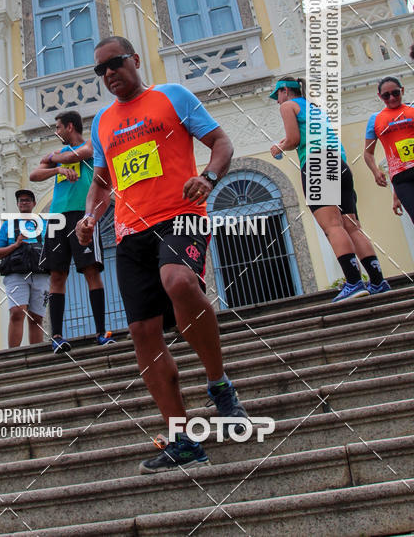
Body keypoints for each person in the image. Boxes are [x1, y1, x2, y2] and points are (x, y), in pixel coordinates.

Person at [76, 36, 249, 474]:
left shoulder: (172, 96)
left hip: (181, 215)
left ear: (134, 59)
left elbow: (222, 143)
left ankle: (218, 385)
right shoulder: (101, 123)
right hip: (130, 233)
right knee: (141, 332)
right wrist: (90, 216)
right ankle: (183, 440)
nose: (109, 73)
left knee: (180, 282)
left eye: (114, 63)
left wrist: (208, 178)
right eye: (100, 70)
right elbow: (102, 180)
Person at [269, 76, 390, 300]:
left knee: (332, 226)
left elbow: (294, 139)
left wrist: (279, 147)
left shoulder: (288, 106)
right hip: (339, 163)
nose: (278, 101)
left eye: (277, 95)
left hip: (317, 164)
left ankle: (354, 282)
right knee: (352, 226)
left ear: (285, 91)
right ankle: (377, 281)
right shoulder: (315, 108)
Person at [30, 111, 114, 354]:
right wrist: (57, 169)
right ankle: (56, 336)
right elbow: (34, 175)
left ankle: (102, 332)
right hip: (57, 217)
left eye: (58, 127)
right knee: (57, 276)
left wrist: (56, 158)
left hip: (82, 215)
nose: (56, 132)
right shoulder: (57, 159)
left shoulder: (89, 144)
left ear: (69, 126)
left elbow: (85, 153)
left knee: (91, 271)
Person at [0, 189, 51, 348]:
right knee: (17, 312)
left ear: (33, 203)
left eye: (27, 200)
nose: (24, 202)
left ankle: (36, 355)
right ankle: (14, 355)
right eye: (21, 200)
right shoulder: (8, 225)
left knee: (36, 317)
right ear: (18, 205)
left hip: (40, 274)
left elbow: (53, 248)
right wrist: (16, 245)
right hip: (16, 274)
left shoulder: (44, 224)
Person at [364, 75, 414, 224]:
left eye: (396, 93)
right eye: (386, 95)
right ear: (380, 96)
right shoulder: (375, 119)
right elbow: (368, 152)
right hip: (401, 178)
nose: (392, 98)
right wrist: (375, 171)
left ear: (402, 90)